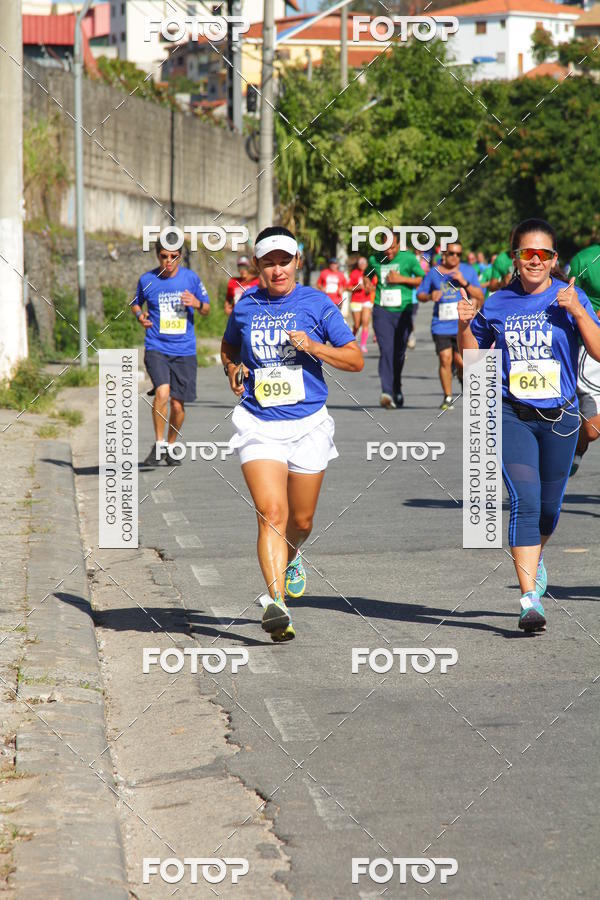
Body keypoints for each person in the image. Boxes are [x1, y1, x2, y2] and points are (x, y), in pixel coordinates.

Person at [221, 226, 363, 643]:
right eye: (269, 262)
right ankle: (276, 606)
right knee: (272, 514)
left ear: (297, 262)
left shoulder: (317, 305)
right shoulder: (245, 305)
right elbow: (228, 349)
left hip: (309, 425)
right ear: (258, 266)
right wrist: (231, 370)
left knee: (300, 521)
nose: (277, 269)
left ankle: (294, 554)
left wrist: (315, 348)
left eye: (285, 261)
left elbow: (354, 359)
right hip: (258, 423)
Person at [458, 218, 600, 632]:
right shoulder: (498, 302)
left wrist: (576, 310)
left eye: (543, 254)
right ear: (515, 257)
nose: (534, 260)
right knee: (524, 499)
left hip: (561, 419)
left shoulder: (569, 297)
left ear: (554, 259)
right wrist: (466, 325)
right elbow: (474, 362)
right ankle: (528, 599)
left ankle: (535, 557)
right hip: (510, 414)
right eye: (526, 253)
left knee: (549, 512)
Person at [132, 240, 210, 467]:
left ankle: (171, 445)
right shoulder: (147, 280)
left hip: (184, 350)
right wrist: (140, 316)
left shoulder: (190, 279)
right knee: (162, 393)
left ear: (180, 257)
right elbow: (136, 303)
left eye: (173, 256)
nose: (168, 261)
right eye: (164, 256)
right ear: (157, 256)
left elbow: (207, 309)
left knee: (178, 405)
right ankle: (159, 445)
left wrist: (196, 303)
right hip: (157, 346)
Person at [418, 241, 483, 409]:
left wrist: (464, 282)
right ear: (444, 254)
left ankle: (462, 379)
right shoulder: (434, 273)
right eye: (452, 253)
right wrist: (430, 295)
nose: (456, 257)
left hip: (464, 326)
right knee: (445, 359)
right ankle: (447, 396)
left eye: (459, 254)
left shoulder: (468, 271)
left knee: (460, 361)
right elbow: (420, 294)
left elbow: (480, 296)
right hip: (441, 325)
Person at [368, 234, 425, 408]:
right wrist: (367, 282)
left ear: (399, 244)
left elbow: (421, 279)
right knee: (386, 350)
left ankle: (396, 386)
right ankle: (386, 392)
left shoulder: (408, 258)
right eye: (386, 247)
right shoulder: (374, 259)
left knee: (399, 353)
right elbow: (367, 275)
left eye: (393, 247)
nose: (389, 251)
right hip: (382, 310)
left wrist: (401, 279)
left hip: (403, 312)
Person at [568, 243, 600, 474]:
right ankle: (574, 448)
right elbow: (568, 301)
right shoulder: (586, 259)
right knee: (590, 430)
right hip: (592, 350)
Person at [348, 256, 374, 352]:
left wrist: (369, 288)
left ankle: (363, 345)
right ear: (358, 264)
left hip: (366, 300)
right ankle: (351, 341)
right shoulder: (354, 273)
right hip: (356, 301)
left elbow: (375, 286)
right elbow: (348, 287)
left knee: (365, 322)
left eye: (364, 263)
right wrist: (357, 287)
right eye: (361, 263)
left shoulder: (370, 273)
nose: (362, 265)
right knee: (357, 324)